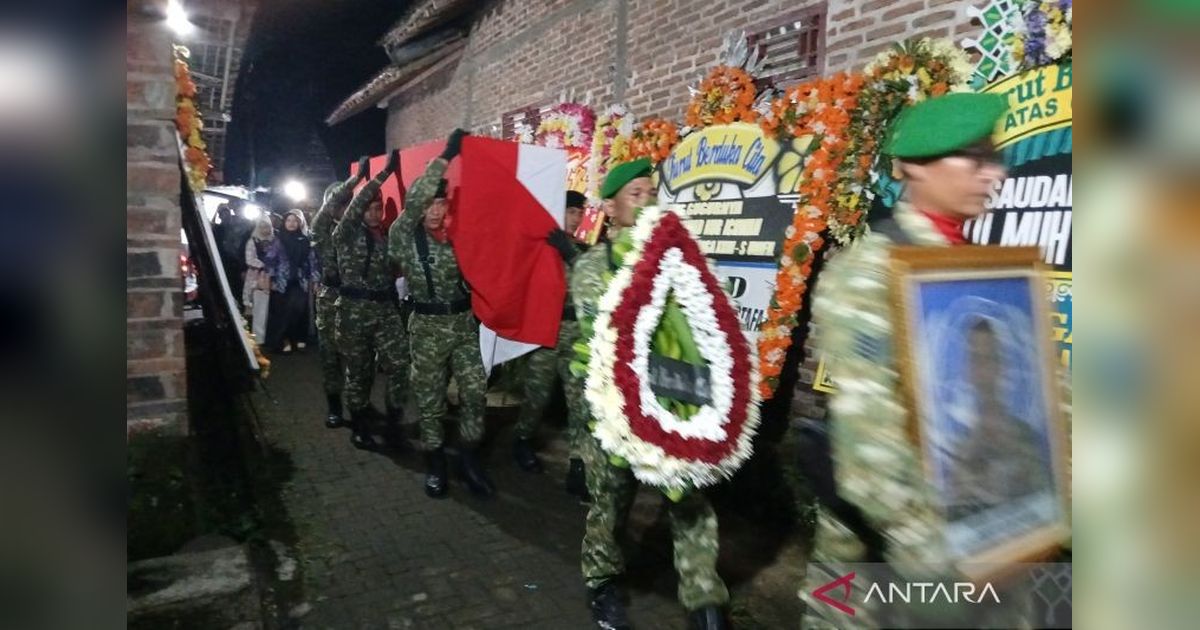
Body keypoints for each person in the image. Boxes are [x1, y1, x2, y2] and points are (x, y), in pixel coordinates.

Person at [805, 92, 1013, 628]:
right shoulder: (870, 272)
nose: (995, 173)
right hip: (878, 548)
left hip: (971, 517)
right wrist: (932, 561)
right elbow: (870, 444)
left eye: (995, 157)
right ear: (914, 167)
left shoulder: (980, 268)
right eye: (975, 158)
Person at [573, 159, 730, 630]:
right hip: (613, 410)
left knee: (689, 502)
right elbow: (602, 335)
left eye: (651, 194)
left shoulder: (677, 260)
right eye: (635, 195)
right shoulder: (592, 267)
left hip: (673, 401)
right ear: (610, 208)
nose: (646, 203)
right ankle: (602, 582)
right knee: (610, 502)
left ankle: (704, 598)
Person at [389, 129, 494, 499]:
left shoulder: (455, 238)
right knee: (430, 400)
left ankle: (468, 458)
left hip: (463, 327)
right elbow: (416, 199)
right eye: (430, 204)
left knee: (475, 392)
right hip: (427, 331)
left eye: (441, 203)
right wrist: (448, 154)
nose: (436, 210)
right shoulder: (404, 235)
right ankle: (435, 463)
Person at [512, 190, 590, 493]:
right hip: (546, 331)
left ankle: (578, 462)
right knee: (537, 394)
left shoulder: (583, 252)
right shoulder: (542, 248)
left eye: (579, 212)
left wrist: (570, 253)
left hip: (575, 334)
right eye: (571, 211)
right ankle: (522, 440)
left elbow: (593, 282)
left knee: (579, 401)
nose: (576, 218)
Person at [332, 150, 410, 450]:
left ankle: (393, 422)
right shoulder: (346, 233)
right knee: (359, 371)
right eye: (370, 209)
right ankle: (360, 425)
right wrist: (381, 174)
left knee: (401, 364)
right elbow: (355, 205)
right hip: (354, 312)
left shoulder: (384, 237)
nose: (375, 213)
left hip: (385, 310)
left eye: (379, 208)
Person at [945, 318, 1054, 520]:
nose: (983, 370)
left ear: (1002, 367)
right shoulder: (958, 448)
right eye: (976, 359)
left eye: (991, 358)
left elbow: (1047, 501)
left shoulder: (1025, 435)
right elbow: (954, 513)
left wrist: (1016, 452)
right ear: (968, 370)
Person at [311, 159, 370, 429]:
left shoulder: (359, 229)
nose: (343, 208)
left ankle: (358, 405)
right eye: (339, 203)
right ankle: (334, 406)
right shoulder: (321, 229)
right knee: (330, 357)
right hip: (329, 299)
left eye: (348, 203)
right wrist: (354, 179)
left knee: (357, 357)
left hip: (355, 301)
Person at [263, 209, 317, 354]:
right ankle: (282, 340)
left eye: (295, 221)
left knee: (298, 310)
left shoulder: (305, 240)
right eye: (288, 220)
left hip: (300, 281)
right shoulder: (278, 240)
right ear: (284, 222)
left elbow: (312, 261)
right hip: (281, 282)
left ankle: (296, 338)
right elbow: (270, 260)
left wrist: (315, 280)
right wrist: (269, 278)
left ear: (300, 223)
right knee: (281, 312)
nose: (292, 223)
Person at [243, 217, 274, 342]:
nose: (264, 229)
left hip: (272, 279)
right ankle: (259, 338)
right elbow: (249, 259)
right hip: (256, 279)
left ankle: (269, 337)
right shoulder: (252, 241)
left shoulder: (275, 241)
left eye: (267, 226)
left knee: (270, 309)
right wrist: (265, 265)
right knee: (259, 308)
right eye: (262, 226)